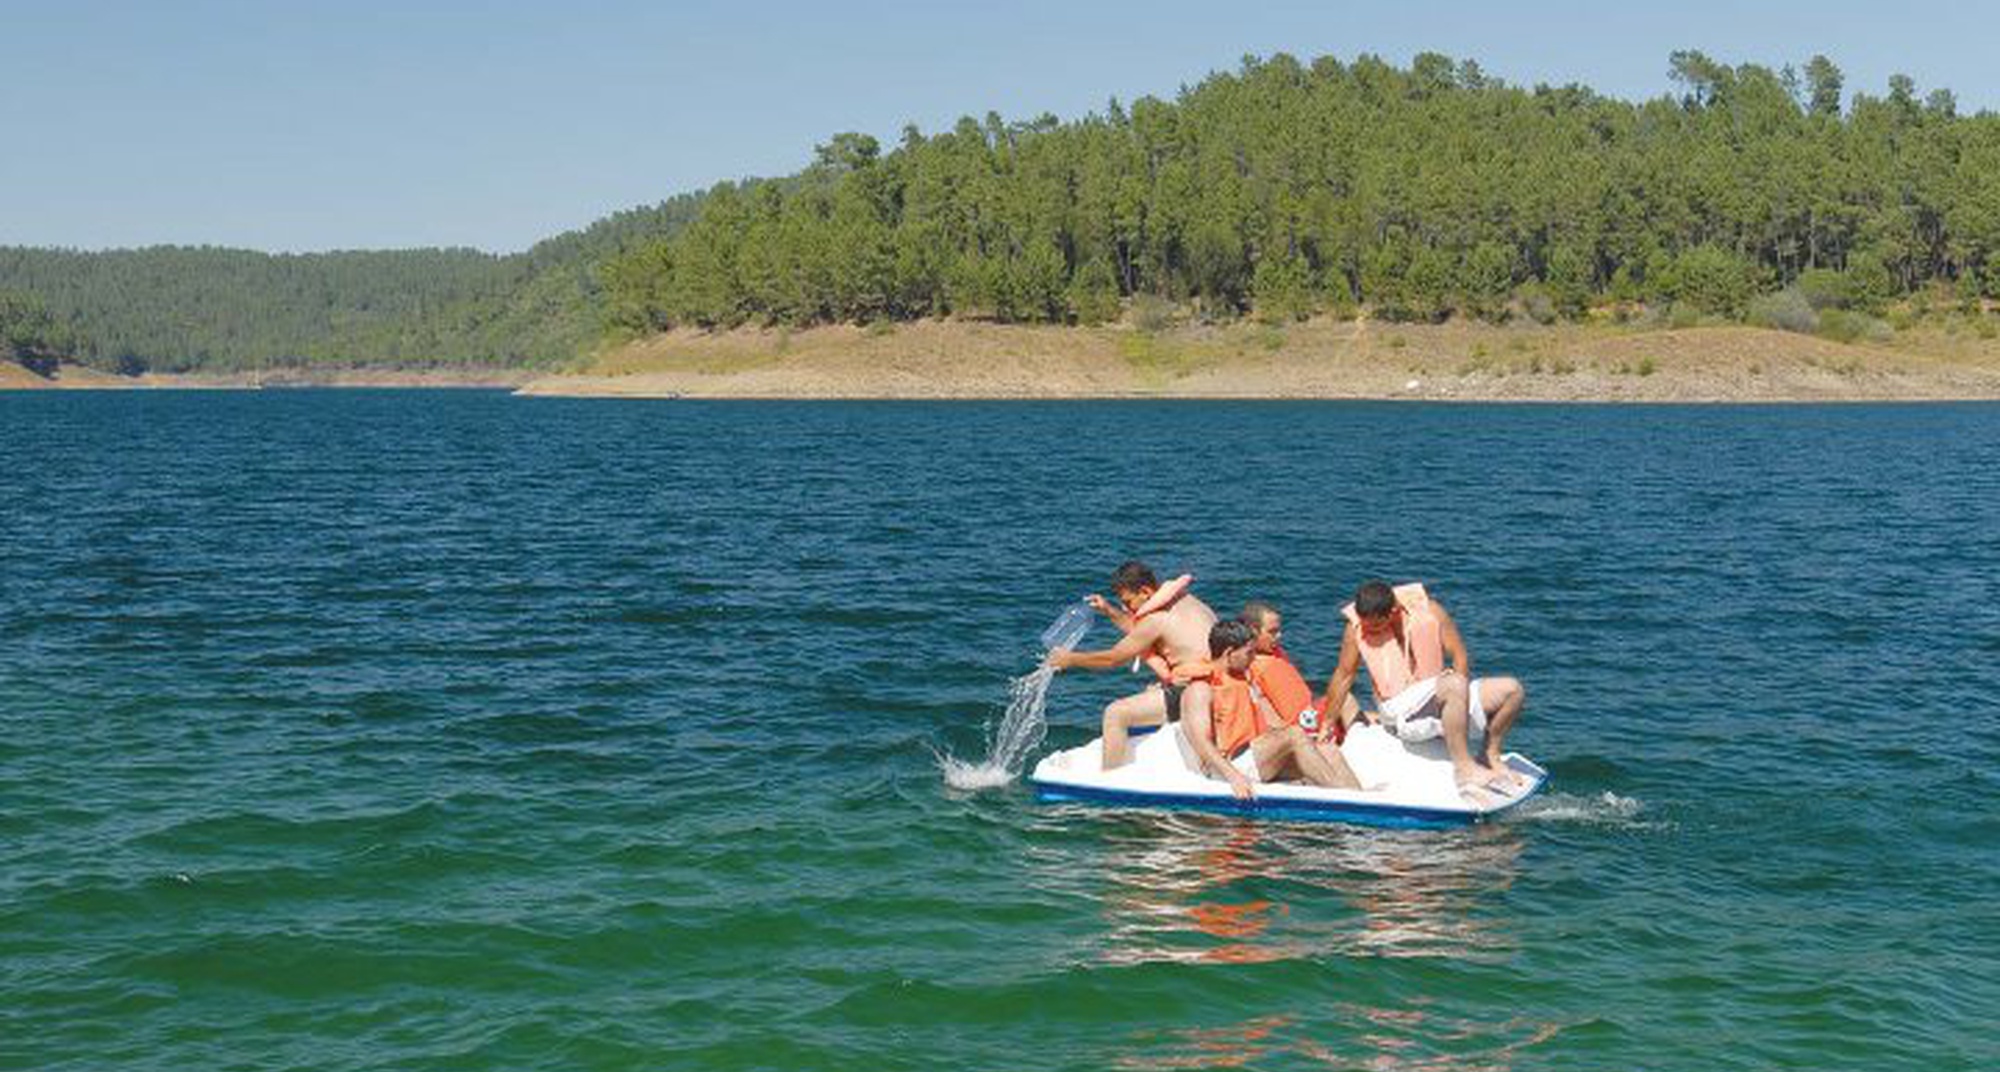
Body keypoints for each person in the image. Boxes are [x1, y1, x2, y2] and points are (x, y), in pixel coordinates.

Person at [1322, 580, 1528, 803]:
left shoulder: (1431, 611)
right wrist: (1327, 723)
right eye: (1366, 624)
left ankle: (1489, 753)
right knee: (1454, 684)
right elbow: (1344, 676)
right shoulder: (1355, 629)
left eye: (1377, 627)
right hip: (1398, 708)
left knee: (1512, 690)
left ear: (1392, 612)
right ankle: (1464, 769)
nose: (1370, 630)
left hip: (1437, 693)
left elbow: (1459, 655)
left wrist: (1460, 702)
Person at [1047, 561, 1218, 770]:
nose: (1126, 608)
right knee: (1150, 690)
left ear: (1145, 591)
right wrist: (1109, 610)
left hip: (1194, 693)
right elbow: (1141, 633)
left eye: (1128, 602)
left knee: (1116, 713)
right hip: (1217, 682)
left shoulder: (1157, 619)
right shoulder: (1187, 600)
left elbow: (1114, 658)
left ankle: (1111, 780)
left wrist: (1071, 659)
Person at [1180, 620, 1357, 800]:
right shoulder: (1200, 690)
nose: (1253, 658)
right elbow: (1202, 743)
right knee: (1294, 735)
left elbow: (1271, 725)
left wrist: (1310, 741)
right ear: (1229, 653)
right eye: (1249, 653)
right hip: (1228, 766)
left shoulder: (1243, 679)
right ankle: (1345, 800)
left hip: (1256, 757)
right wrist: (1233, 776)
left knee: (1328, 750)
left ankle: (1362, 803)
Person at [1237, 601, 1369, 788]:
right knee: (1346, 701)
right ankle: (1362, 753)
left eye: (1279, 630)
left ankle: (1363, 747)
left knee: (1346, 700)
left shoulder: (1275, 653)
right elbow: (1263, 711)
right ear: (1252, 630)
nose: (1279, 636)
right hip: (1299, 728)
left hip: (1308, 716)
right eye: (1272, 632)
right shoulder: (1248, 665)